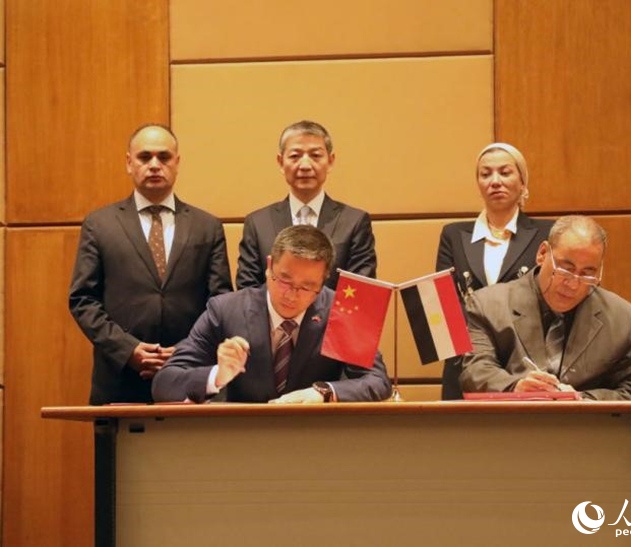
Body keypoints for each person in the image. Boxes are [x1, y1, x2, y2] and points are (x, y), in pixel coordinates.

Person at [69, 124, 233, 405]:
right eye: (145, 157)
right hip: (119, 377)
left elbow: (220, 301)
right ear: (129, 163)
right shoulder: (100, 224)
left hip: (189, 376)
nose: (155, 165)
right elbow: (83, 300)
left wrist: (185, 351)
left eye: (164, 157)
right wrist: (128, 349)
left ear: (177, 163)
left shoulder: (207, 226)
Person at [152, 225, 392, 403]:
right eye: (284, 280)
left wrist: (324, 392)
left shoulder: (341, 311)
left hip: (318, 437)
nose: (291, 295)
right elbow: (164, 384)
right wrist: (217, 375)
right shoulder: (225, 310)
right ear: (269, 266)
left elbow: (378, 381)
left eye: (307, 287)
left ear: (323, 281)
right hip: (243, 439)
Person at [460, 215, 631, 401]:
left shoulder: (621, 317)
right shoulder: (487, 305)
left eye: (587, 274)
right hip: (512, 419)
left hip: (584, 421)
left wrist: (581, 399)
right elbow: (475, 372)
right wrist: (515, 388)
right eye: (565, 269)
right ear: (542, 254)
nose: (573, 284)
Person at [436, 143, 553, 399]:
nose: (495, 181)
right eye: (486, 174)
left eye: (505, 172)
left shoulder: (547, 233)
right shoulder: (453, 235)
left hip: (527, 365)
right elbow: (445, 304)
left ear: (522, 182)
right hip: (466, 363)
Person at [236, 120, 376, 291]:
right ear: (280, 162)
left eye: (315, 155)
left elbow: (361, 291)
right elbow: (247, 291)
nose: (305, 165)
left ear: (330, 161)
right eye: (295, 156)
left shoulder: (355, 222)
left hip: (333, 310)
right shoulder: (257, 223)